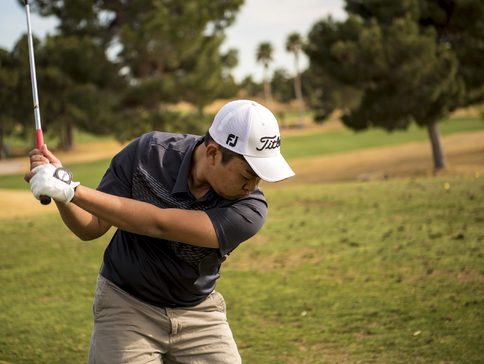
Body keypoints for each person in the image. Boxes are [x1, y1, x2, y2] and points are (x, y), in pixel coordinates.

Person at [25, 100, 295, 363]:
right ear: (213, 154)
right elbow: (90, 227)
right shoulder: (147, 153)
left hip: (198, 313)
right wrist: (61, 191)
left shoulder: (250, 208)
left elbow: (159, 223)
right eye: (248, 174)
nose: (253, 185)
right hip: (126, 307)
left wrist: (72, 189)